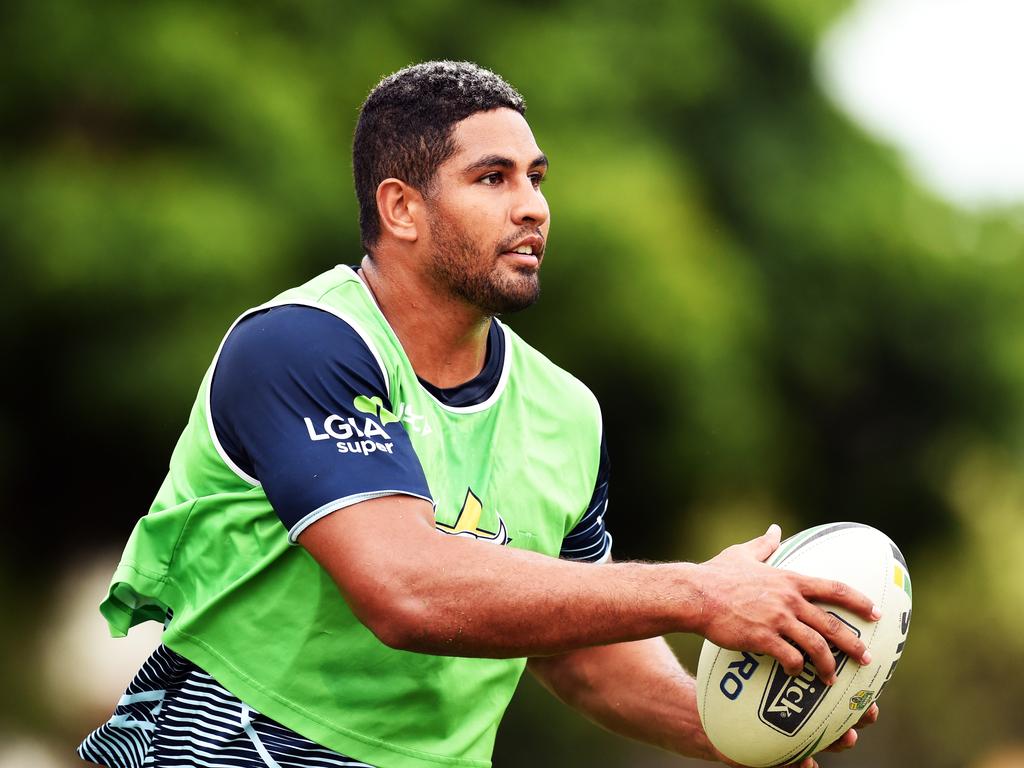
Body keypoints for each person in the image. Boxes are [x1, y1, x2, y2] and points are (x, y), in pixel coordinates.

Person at [79, 61, 879, 768]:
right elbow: (403, 589)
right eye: (493, 178)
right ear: (401, 208)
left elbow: (584, 658)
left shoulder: (567, 412)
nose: (532, 207)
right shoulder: (298, 346)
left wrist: (737, 733)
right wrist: (701, 595)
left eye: (537, 177)